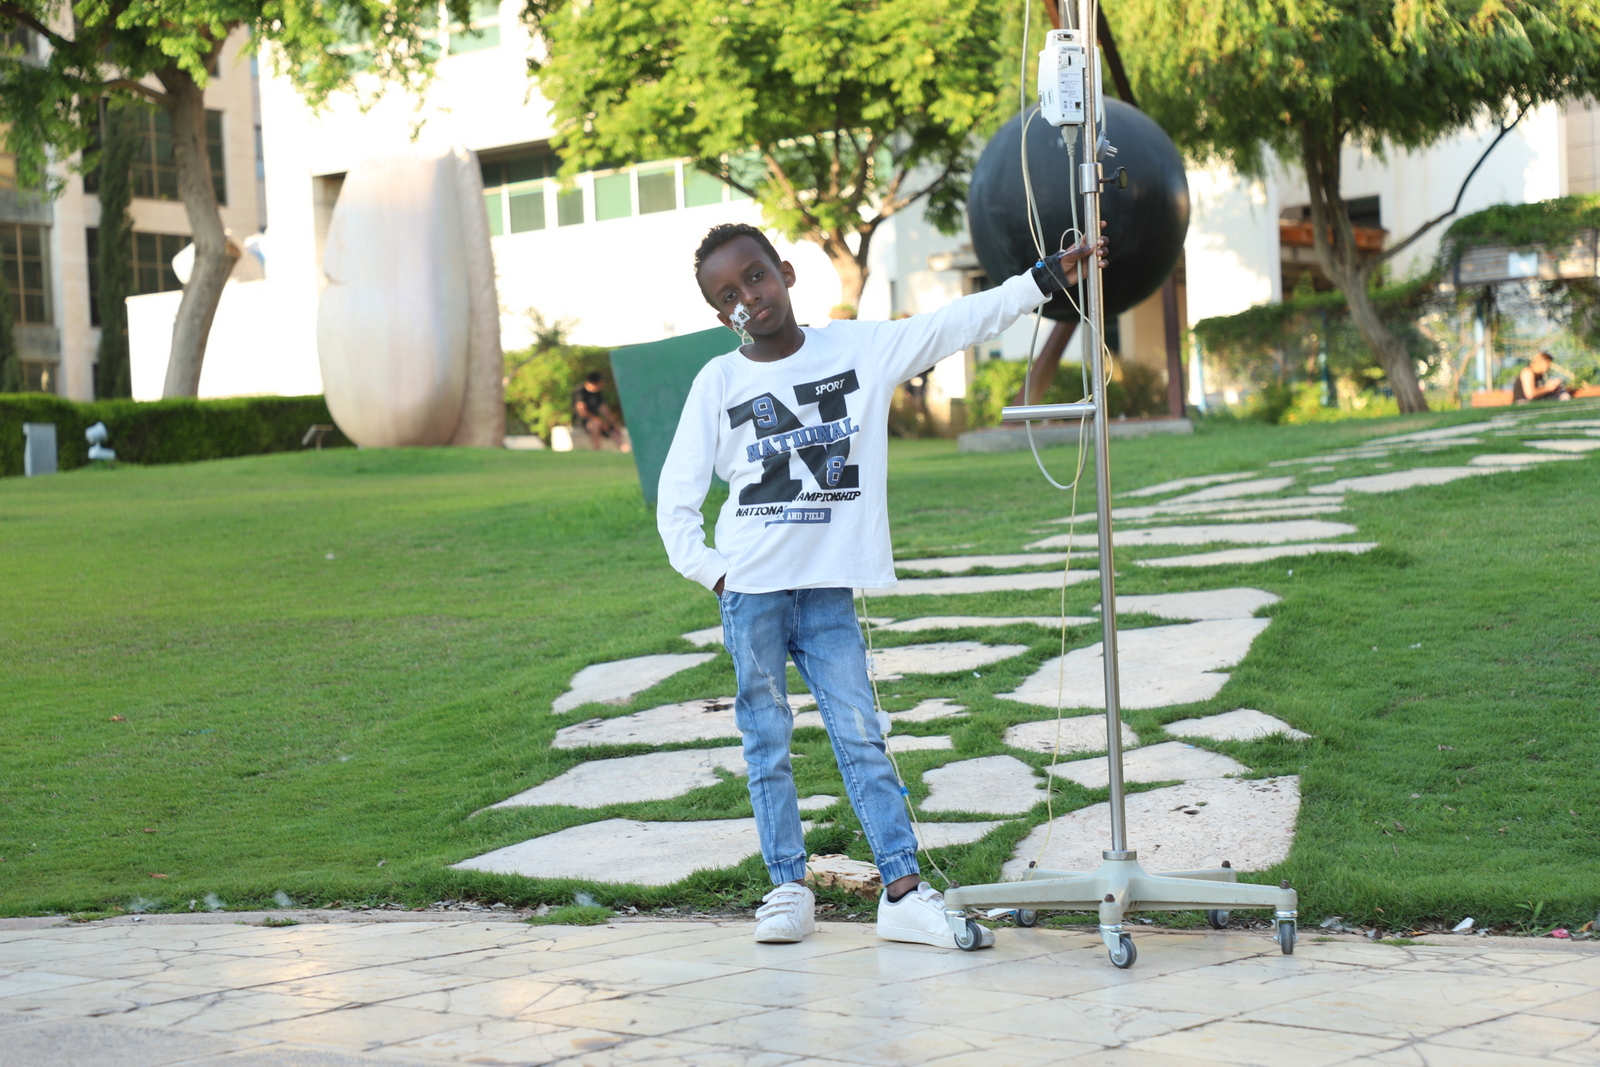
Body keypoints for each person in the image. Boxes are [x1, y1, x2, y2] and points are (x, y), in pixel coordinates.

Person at [656, 222, 1107, 947]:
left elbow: (952, 324)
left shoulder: (857, 349)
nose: (749, 297)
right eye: (728, 295)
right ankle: (786, 888)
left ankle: (901, 892)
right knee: (766, 743)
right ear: (719, 315)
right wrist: (717, 573)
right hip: (752, 594)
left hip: (826, 591)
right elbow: (674, 502)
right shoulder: (719, 381)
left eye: (756, 276)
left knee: (862, 736)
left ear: (786, 272)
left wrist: (1040, 280)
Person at [572, 372, 619, 448]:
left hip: (597, 421)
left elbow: (604, 410)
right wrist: (600, 421)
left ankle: (624, 448)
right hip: (583, 421)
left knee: (613, 429)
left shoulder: (598, 393)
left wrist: (613, 424)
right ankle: (597, 448)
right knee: (595, 424)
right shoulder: (580, 392)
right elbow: (582, 411)